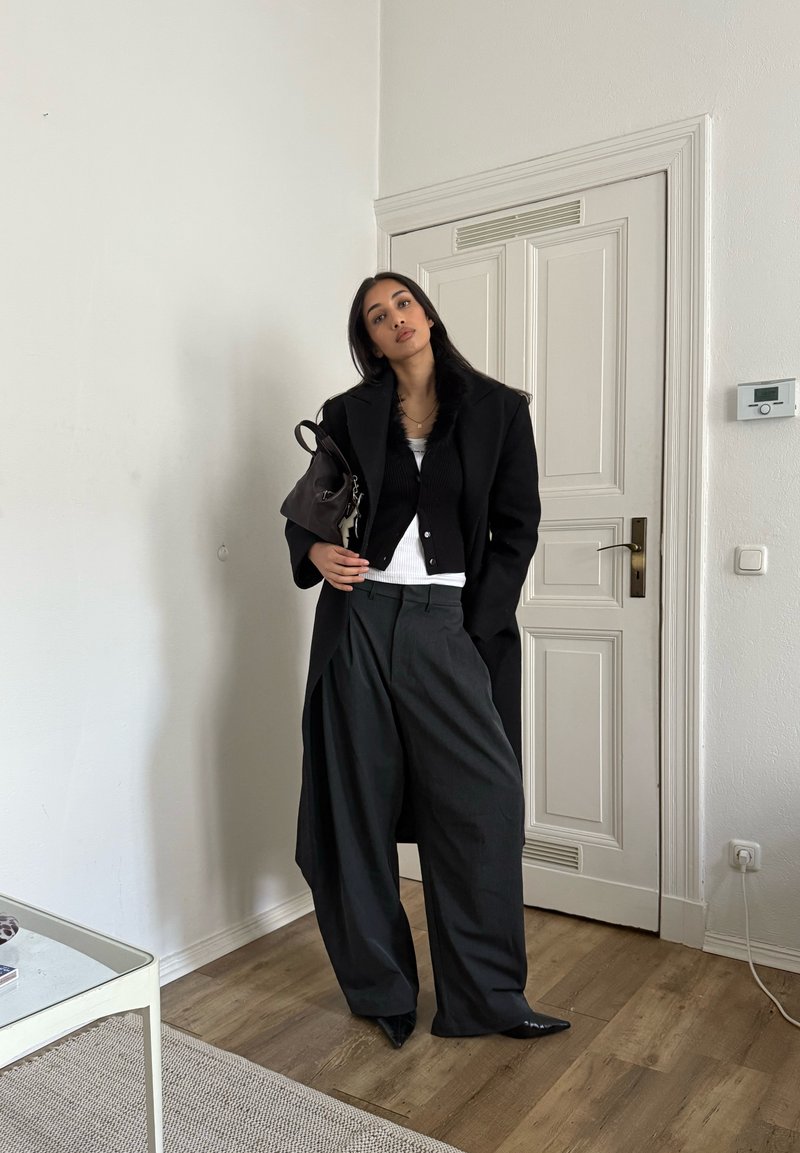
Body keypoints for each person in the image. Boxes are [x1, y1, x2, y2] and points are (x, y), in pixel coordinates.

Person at [282, 272, 570, 1048]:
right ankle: (382, 989)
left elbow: (516, 531)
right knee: (355, 809)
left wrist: (473, 632)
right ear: (368, 339)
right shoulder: (347, 413)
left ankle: (487, 998)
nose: (395, 320)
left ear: (429, 313)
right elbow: (309, 508)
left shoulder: (500, 410)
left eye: (403, 303)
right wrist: (314, 549)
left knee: (482, 808)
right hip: (358, 624)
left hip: (450, 626)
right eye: (377, 316)